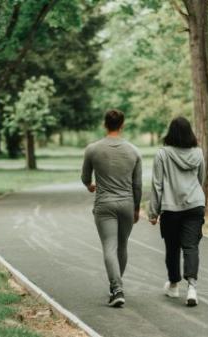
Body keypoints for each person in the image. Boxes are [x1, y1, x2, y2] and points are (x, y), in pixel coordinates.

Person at [81, 109, 142, 308]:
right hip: (126, 203)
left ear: (104, 124)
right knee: (122, 246)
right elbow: (137, 185)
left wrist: (90, 186)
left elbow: (85, 178)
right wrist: (136, 209)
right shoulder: (134, 151)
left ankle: (116, 288)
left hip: (104, 205)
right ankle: (116, 286)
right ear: (122, 125)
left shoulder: (92, 149)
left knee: (110, 246)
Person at [148, 117, 205, 307]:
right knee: (191, 246)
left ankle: (173, 285)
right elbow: (201, 178)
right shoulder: (198, 153)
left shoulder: (162, 154)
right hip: (195, 205)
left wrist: (153, 212)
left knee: (172, 247)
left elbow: (157, 185)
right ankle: (192, 288)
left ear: (170, 133)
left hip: (171, 208)